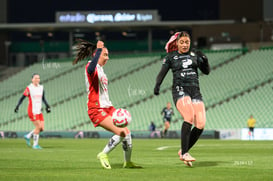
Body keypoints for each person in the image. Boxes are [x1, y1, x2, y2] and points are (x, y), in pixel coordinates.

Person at [72, 39, 141, 169]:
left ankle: (128, 162)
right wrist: (98, 50)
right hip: (97, 109)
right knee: (121, 132)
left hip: (108, 107)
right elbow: (91, 69)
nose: (107, 58)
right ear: (96, 55)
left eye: (107, 55)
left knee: (127, 132)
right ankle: (103, 154)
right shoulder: (90, 66)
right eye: (105, 55)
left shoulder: (102, 70)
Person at [154, 31, 210, 167]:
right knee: (189, 116)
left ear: (190, 43)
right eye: (182, 42)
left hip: (195, 91)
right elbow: (162, 73)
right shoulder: (171, 57)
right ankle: (185, 153)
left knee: (201, 124)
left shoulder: (194, 55)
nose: (185, 45)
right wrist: (157, 85)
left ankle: (183, 151)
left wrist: (205, 60)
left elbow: (206, 71)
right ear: (177, 43)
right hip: (180, 90)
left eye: (187, 42)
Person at [14, 73, 51, 149]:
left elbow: (43, 98)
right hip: (32, 110)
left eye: (38, 78)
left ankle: (28, 136)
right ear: (32, 79)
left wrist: (47, 106)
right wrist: (17, 106)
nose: (37, 79)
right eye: (36, 78)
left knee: (42, 128)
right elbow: (22, 98)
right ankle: (35, 145)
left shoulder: (41, 87)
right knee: (38, 127)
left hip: (39, 110)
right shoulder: (29, 88)